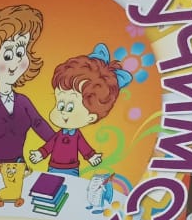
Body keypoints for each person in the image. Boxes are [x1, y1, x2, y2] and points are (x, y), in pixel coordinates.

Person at [0, 5, 53, 169]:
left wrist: (58, 145)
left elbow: (40, 125)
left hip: (19, 168)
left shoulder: (24, 103)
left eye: (20, 53)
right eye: (7, 55)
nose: (16, 61)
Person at [28, 48, 125, 176]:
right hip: (52, 168)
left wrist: (91, 157)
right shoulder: (59, 134)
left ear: (91, 117)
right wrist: (40, 154)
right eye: (59, 105)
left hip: (72, 170)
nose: (62, 112)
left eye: (69, 108)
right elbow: (49, 146)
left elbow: (85, 148)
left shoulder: (77, 136)